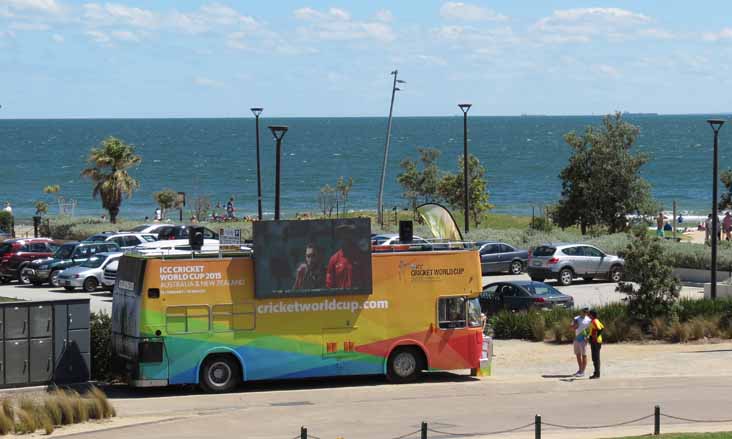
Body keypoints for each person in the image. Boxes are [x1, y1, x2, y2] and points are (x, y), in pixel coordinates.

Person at [326, 223, 370, 289]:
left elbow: (367, 281)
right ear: (339, 237)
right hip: (341, 298)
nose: (345, 236)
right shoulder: (334, 259)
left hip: (358, 297)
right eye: (343, 233)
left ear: (352, 235)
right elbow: (329, 284)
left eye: (348, 233)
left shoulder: (361, 257)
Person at [571, 307, 591, 377]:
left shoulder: (589, 320)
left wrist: (588, 336)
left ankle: (583, 371)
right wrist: (574, 326)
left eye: (586, 312)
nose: (585, 313)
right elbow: (572, 328)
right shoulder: (576, 318)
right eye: (584, 311)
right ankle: (580, 370)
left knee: (584, 355)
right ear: (581, 311)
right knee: (578, 354)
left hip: (583, 339)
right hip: (576, 338)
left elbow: (590, 329)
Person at [588, 309, 604, 379]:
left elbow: (600, 329)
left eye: (589, 314)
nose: (588, 315)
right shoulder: (595, 320)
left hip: (596, 342)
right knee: (595, 358)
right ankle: (596, 373)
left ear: (592, 315)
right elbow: (602, 327)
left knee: (595, 358)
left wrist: (594, 337)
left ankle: (597, 374)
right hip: (596, 341)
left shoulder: (594, 321)